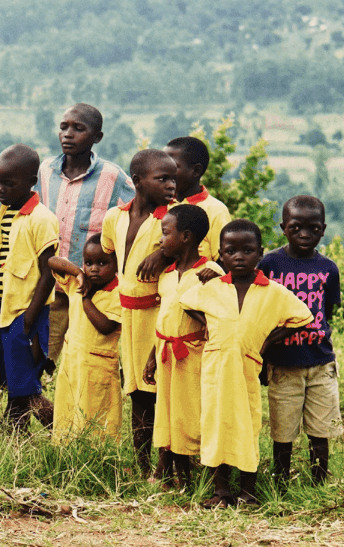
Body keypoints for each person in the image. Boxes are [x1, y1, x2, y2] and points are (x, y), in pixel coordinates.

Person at [179, 219, 313, 507]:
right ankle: (221, 491)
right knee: (216, 425)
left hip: (247, 369)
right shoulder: (214, 288)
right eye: (231, 251)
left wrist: (267, 341)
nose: (239, 257)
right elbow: (187, 301)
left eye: (247, 250)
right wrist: (211, 324)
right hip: (215, 368)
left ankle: (248, 491)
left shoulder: (272, 292)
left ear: (260, 253)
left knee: (246, 425)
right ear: (221, 255)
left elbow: (303, 316)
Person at [39, 103, 134, 361]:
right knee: (45, 355)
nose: (68, 134)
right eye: (64, 127)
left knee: (91, 356)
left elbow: (134, 219)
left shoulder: (113, 177)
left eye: (78, 129)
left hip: (93, 289)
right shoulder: (46, 171)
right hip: (53, 285)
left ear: (96, 137)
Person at [101, 149, 176, 473]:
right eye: (162, 179)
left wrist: (164, 254)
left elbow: (189, 254)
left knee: (161, 389)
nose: (171, 185)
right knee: (136, 390)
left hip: (158, 314)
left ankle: (166, 466)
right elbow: (106, 255)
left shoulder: (172, 220)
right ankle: (143, 464)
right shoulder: (115, 217)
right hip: (127, 317)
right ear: (137, 182)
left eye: (174, 178)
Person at [260, 195, 343, 484]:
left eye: (313, 228)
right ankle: (279, 479)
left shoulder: (329, 268)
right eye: (296, 228)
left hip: (320, 360)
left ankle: (319, 479)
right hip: (283, 362)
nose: (305, 235)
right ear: (283, 227)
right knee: (283, 428)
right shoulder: (270, 263)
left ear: (323, 229)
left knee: (321, 427)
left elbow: (327, 310)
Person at [143, 204, 220, 489]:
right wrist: (152, 356)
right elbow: (164, 318)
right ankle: (169, 471)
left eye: (165, 233)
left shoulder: (209, 272)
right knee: (166, 411)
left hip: (193, 356)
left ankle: (195, 477)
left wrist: (219, 279)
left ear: (186, 237)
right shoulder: (168, 275)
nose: (161, 240)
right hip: (166, 354)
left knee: (189, 414)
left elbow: (218, 309)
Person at [0, 145, 60, 432]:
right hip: (4, 307)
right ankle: (15, 435)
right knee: (15, 380)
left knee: (26, 386)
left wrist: (30, 317)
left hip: (26, 311)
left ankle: (62, 431)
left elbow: (48, 273)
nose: (1, 190)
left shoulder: (41, 219)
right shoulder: (5, 212)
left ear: (31, 180)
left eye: (9, 183)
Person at [47, 236, 123, 443]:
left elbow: (105, 326)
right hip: (72, 361)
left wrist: (85, 298)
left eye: (102, 263)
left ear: (116, 264)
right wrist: (77, 273)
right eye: (88, 263)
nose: (94, 269)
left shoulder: (118, 293)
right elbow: (52, 261)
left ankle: (96, 456)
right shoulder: (77, 282)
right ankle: (66, 450)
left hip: (98, 367)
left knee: (96, 414)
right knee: (68, 407)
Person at [165, 136, 231, 260]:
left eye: (173, 166)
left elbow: (224, 261)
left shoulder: (215, 210)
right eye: (163, 165)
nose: (165, 171)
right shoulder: (160, 204)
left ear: (196, 170)